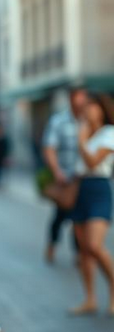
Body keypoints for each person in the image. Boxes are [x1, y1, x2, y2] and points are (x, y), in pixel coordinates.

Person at [69, 92, 114, 316]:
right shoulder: (84, 132)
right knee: (84, 251)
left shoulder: (109, 134)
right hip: (81, 189)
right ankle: (90, 298)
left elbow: (93, 161)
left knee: (95, 246)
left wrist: (81, 140)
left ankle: (113, 292)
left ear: (101, 109)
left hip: (99, 189)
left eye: (92, 106)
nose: (87, 110)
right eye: (85, 107)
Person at [42, 87, 88, 263]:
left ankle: (78, 252)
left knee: (80, 217)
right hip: (66, 179)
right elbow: (50, 148)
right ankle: (52, 244)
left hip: (84, 179)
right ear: (71, 100)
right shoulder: (59, 121)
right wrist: (57, 171)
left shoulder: (89, 121)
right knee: (61, 216)